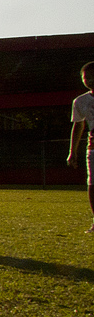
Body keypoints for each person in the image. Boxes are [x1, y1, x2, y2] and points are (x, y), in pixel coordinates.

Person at [67, 61, 94, 233]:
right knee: (93, 183)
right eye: (86, 77)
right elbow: (78, 126)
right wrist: (73, 152)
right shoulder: (80, 101)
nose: (90, 80)